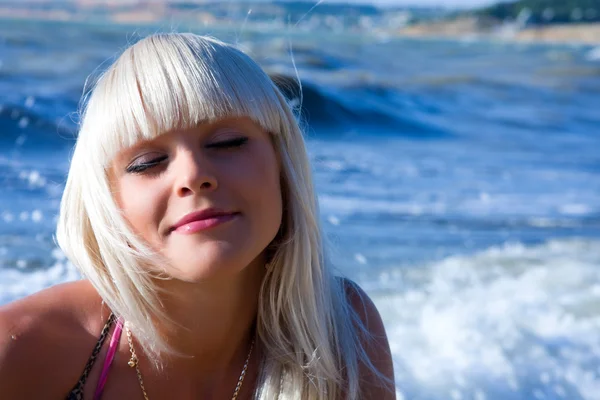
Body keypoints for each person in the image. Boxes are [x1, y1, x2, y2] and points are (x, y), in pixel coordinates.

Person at [0, 33, 395, 399]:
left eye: (228, 142)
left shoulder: (341, 332)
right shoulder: (23, 350)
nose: (193, 175)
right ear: (109, 202)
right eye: (148, 162)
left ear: (282, 162)